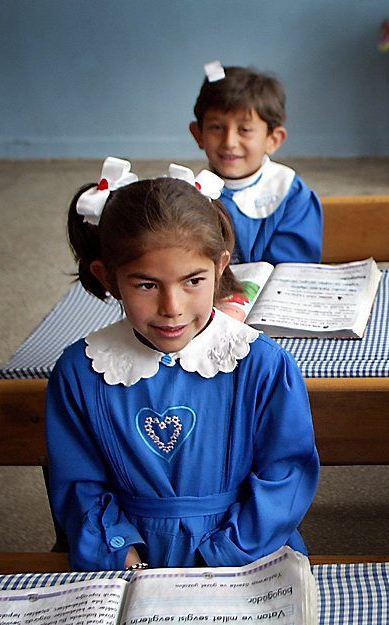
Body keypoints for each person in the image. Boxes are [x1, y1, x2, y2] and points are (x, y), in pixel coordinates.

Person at [47, 157, 320, 571]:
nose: (171, 308)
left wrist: (223, 555)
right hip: (128, 560)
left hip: (246, 555)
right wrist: (118, 550)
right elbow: (77, 483)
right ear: (108, 278)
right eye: (146, 285)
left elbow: (286, 477)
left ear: (221, 267)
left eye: (193, 281)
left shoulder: (262, 366)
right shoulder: (80, 372)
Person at [189, 63, 323, 265]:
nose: (229, 142)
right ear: (198, 134)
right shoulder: (190, 194)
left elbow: (294, 269)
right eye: (216, 127)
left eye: (244, 130)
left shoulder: (290, 194)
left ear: (273, 139)